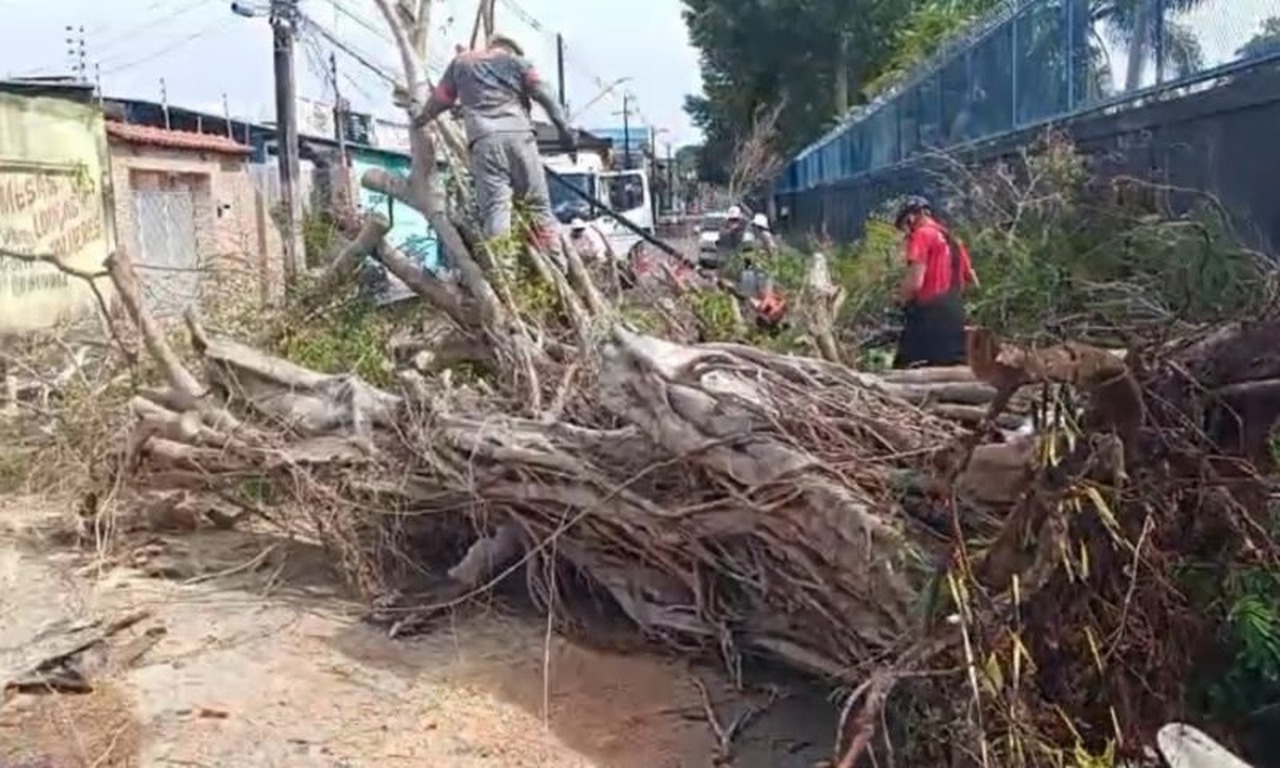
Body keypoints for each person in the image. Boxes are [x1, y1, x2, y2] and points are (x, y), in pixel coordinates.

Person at [412, 35, 577, 252]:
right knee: (538, 207)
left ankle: (503, 275)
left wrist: (421, 119)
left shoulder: (462, 63)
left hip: (484, 141)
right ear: (511, 50)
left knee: (496, 209)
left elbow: (441, 99)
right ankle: (556, 261)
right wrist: (565, 133)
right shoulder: (518, 63)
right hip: (520, 138)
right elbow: (546, 96)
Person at [892, 195, 979, 369]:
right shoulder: (952, 238)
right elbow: (973, 279)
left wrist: (900, 299)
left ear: (910, 217)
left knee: (909, 368)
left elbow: (916, 280)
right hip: (955, 311)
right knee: (954, 364)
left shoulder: (922, 235)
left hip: (929, 311)